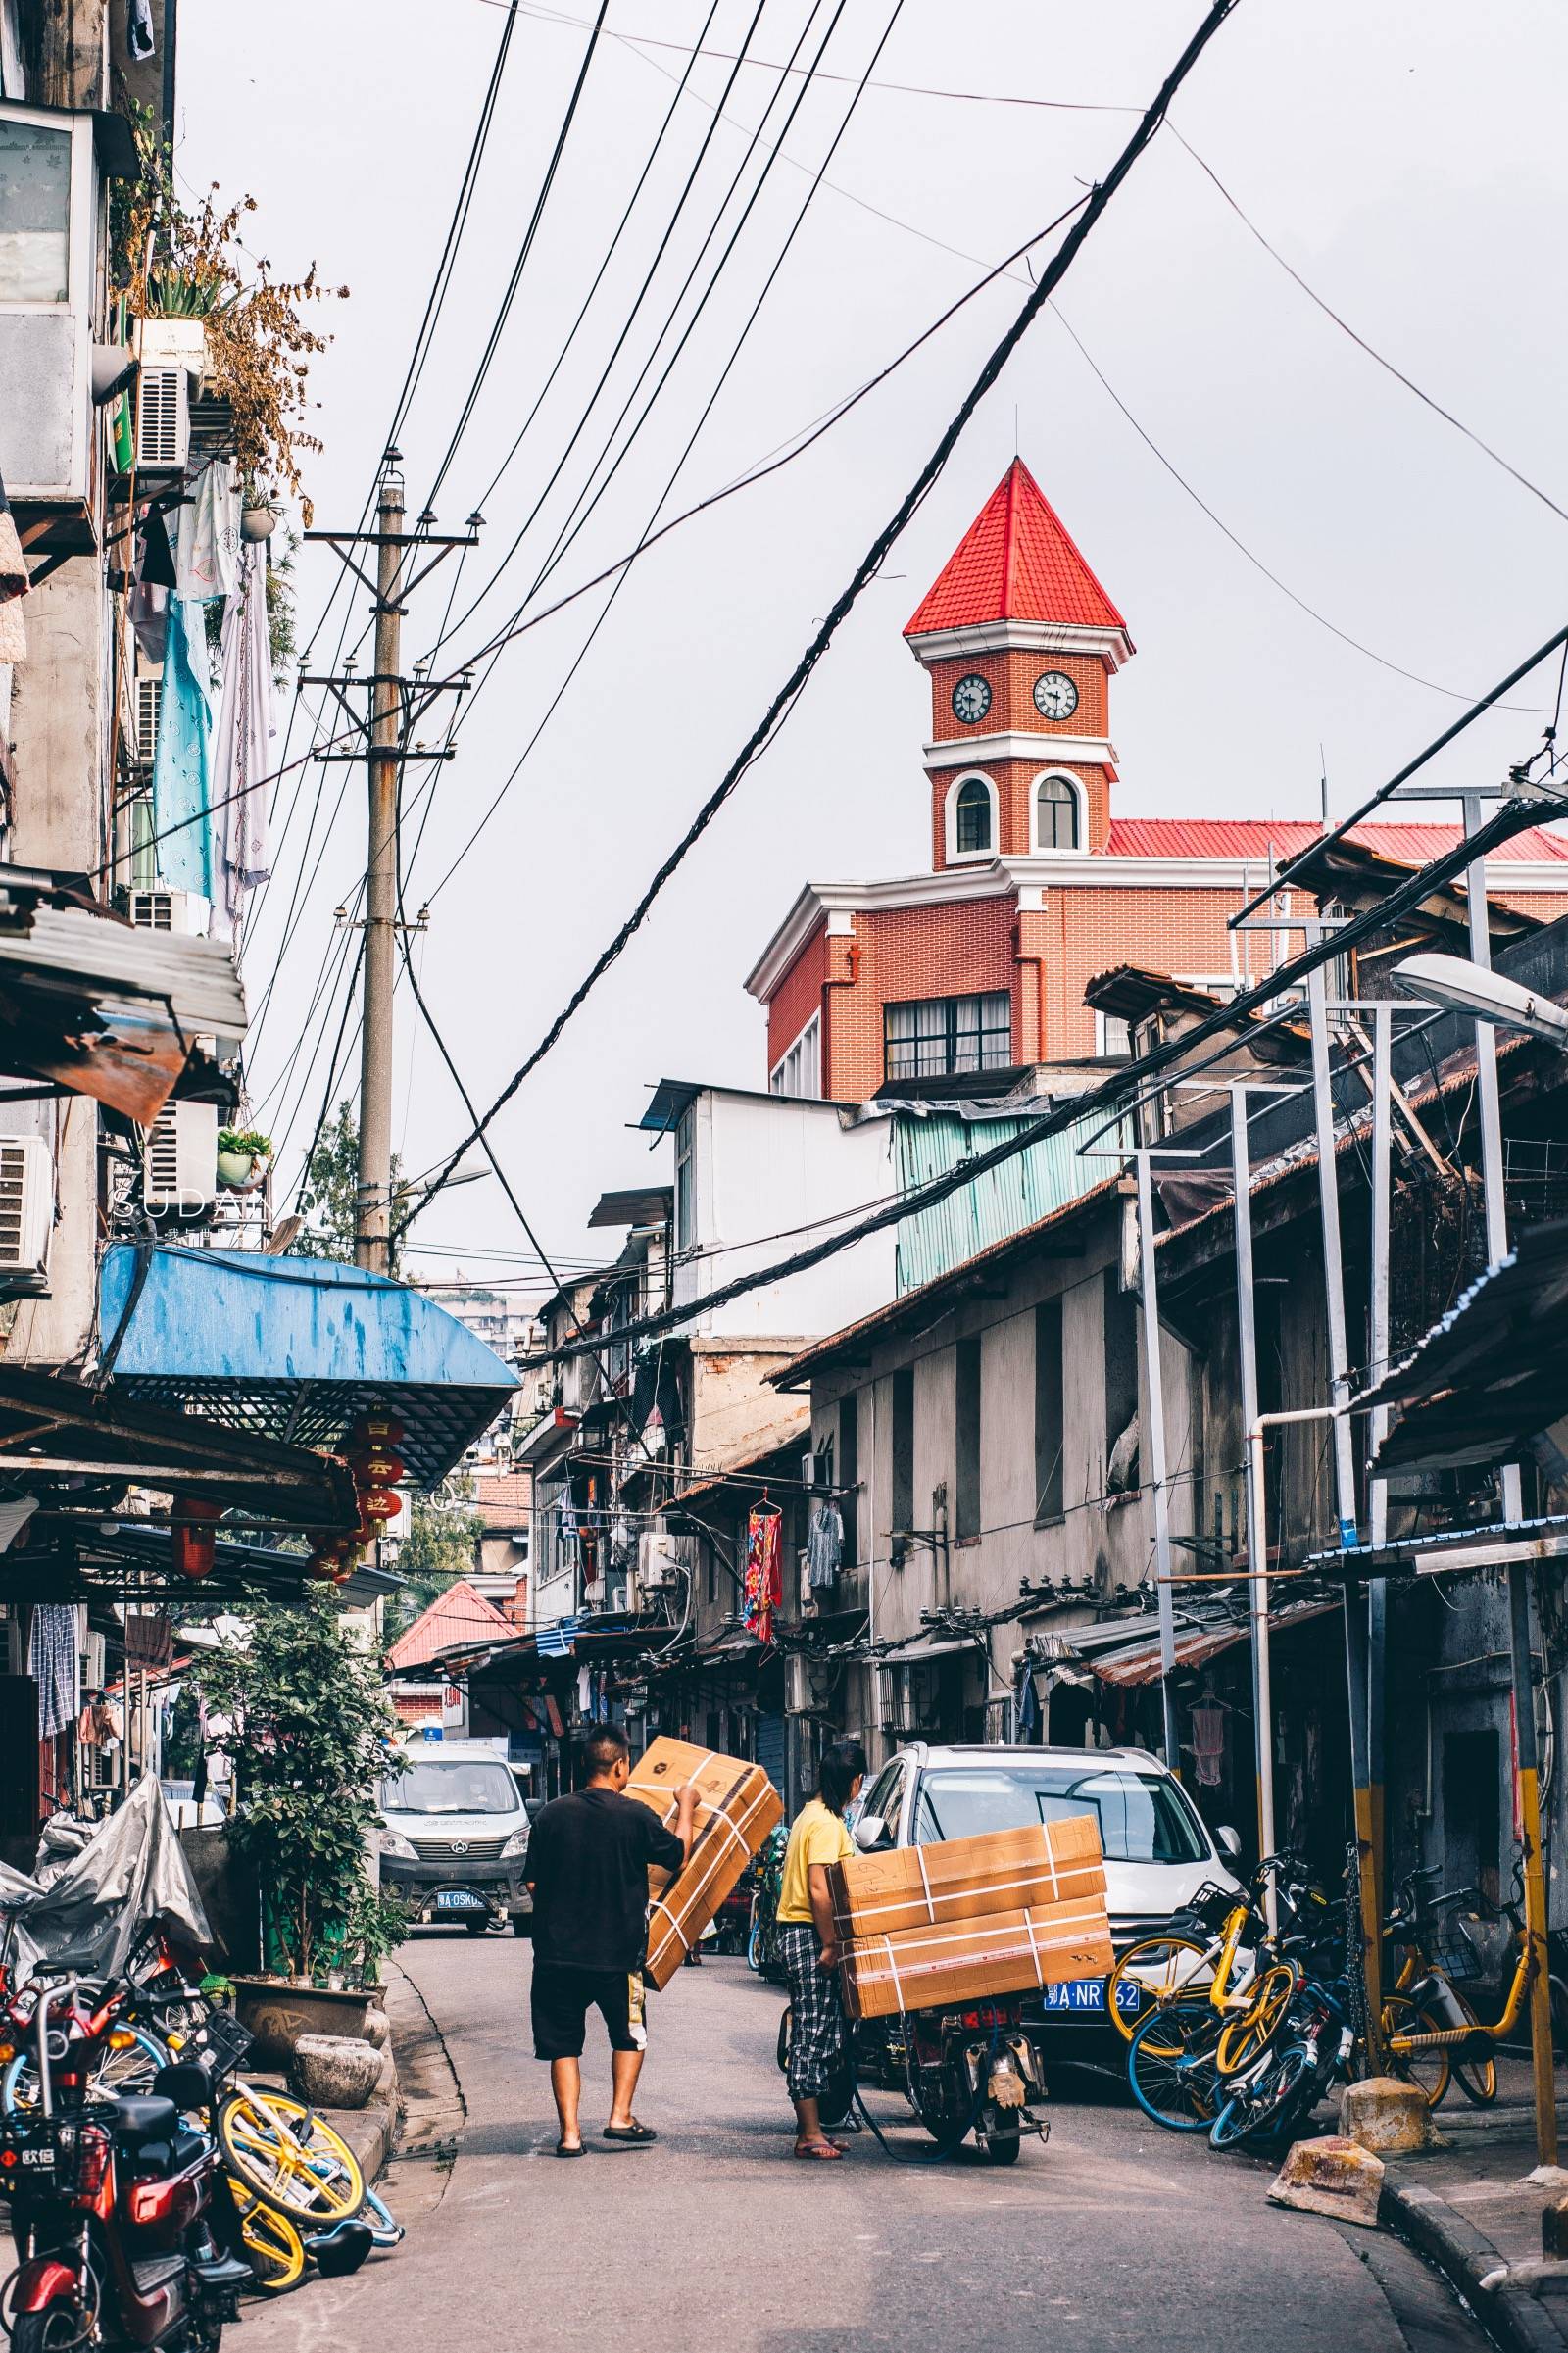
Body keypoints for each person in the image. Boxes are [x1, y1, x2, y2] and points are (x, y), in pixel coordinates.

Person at [524, 1725, 699, 2157]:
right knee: (630, 2034)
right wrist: (687, 1806)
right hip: (618, 1956)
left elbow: (531, 1885)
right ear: (621, 1765)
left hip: (556, 1956)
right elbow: (679, 1855)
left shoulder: (549, 1815)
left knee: (563, 2044)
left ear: (585, 1766)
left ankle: (570, 2135)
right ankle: (620, 2116)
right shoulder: (635, 1815)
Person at [776, 1740, 865, 2160]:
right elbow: (819, 1887)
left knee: (821, 2029)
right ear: (854, 1782)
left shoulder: (808, 1816)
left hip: (797, 1932)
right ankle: (809, 2134)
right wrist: (830, 1944)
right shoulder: (828, 1824)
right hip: (809, 1933)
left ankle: (813, 2130)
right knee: (812, 2032)